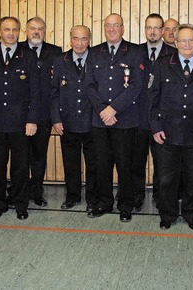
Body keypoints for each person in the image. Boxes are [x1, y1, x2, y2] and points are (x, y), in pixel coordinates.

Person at [149, 23, 193, 230]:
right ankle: (167, 214)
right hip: (167, 132)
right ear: (176, 42)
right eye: (183, 40)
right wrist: (155, 127)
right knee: (165, 178)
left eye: (191, 40)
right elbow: (152, 98)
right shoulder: (162, 64)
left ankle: (192, 214)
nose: (187, 44)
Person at [84, 13, 144, 222]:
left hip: (125, 119)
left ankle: (125, 204)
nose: (111, 29)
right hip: (99, 120)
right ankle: (104, 202)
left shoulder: (135, 52)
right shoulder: (94, 53)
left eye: (115, 25)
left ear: (123, 28)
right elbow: (89, 85)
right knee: (102, 163)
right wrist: (103, 110)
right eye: (108, 25)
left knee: (125, 164)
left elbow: (137, 85)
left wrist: (114, 109)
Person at [0, 16, 40, 220]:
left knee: (20, 167)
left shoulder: (28, 56)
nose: (10, 33)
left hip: (20, 123)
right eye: (6, 29)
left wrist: (32, 119)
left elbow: (35, 91)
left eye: (14, 30)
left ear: (20, 32)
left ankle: (21, 204)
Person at [50, 25, 97, 211]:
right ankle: (72, 196)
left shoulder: (97, 58)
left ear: (89, 40)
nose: (79, 43)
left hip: (92, 121)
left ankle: (92, 198)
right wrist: (55, 118)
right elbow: (54, 92)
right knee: (70, 163)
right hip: (67, 121)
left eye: (84, 39)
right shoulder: (59, 60)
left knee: (94, 163)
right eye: (76, 39)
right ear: (70, 40)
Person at [133, 13, 177, 209]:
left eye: (156, 28)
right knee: (137, 162)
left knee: (163, 164)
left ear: (162, 30)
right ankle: (137, 195)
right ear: (144, 30)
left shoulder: (173, 54)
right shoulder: (134, 52)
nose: (152, 31)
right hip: (139, 118)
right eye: (148, 27)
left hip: (163, 120)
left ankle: (161, 197)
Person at [19, 17, 62, 207]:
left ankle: (36, 191)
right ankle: (19, 192)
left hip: (44, 115)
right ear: (26, 31)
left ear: (45, 31)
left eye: (40, 29)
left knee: (38, 157)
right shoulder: (17, 50)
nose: (36, 32)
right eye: (33, 28)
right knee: (20, 158)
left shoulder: (55, 52)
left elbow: (57, 86)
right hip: (19, 116)